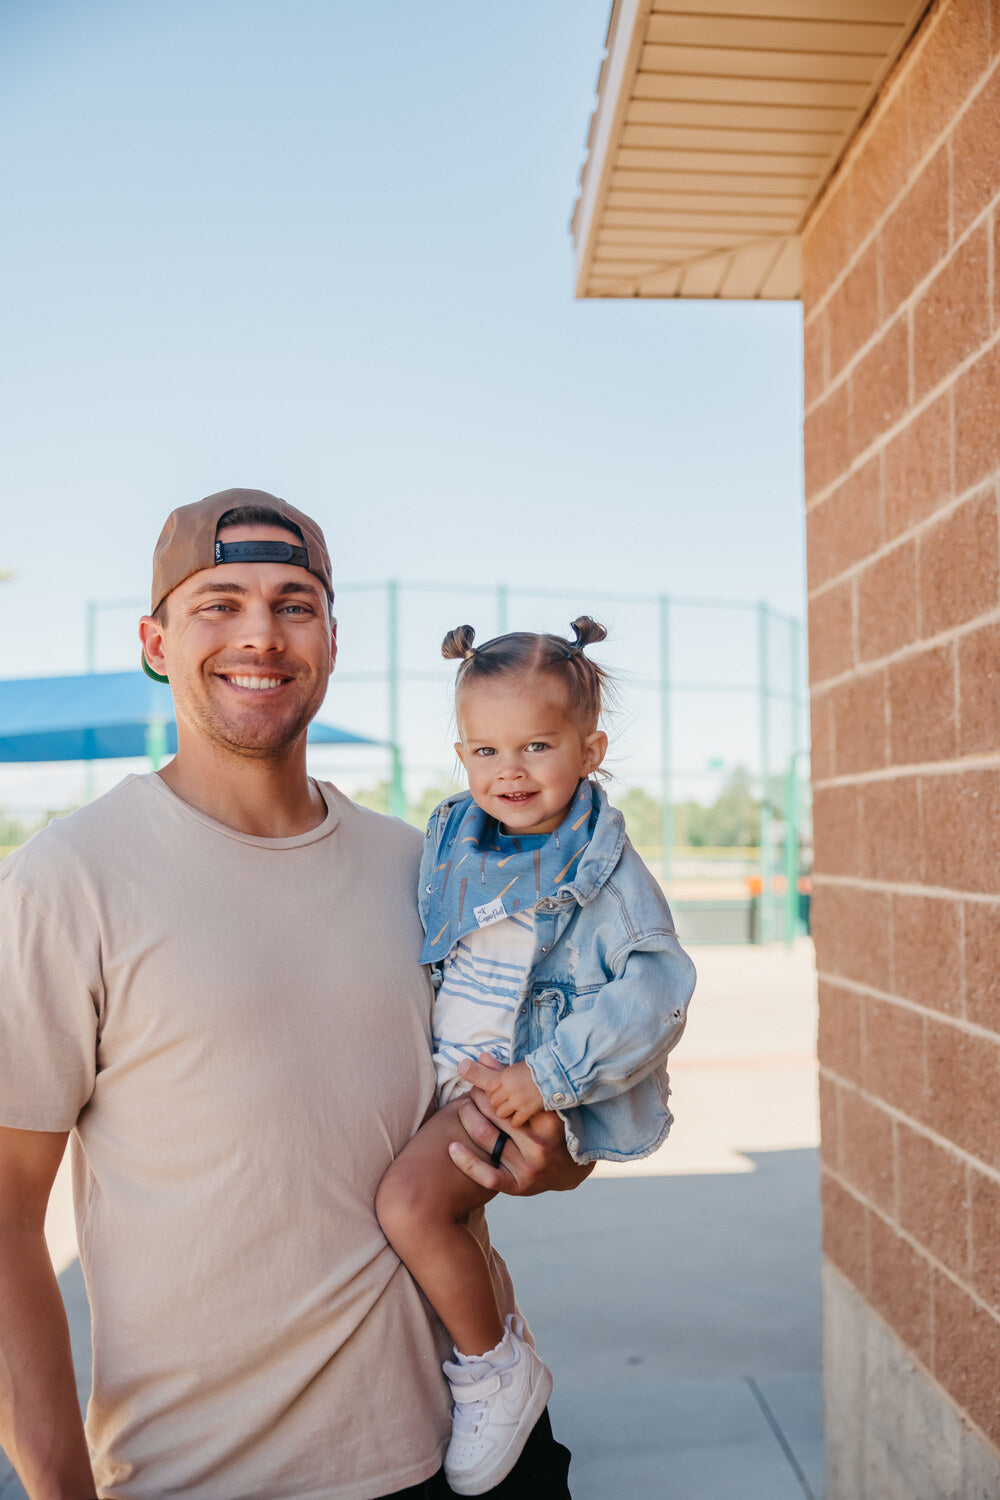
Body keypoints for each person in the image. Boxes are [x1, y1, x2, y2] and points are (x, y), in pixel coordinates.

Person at [0, 489, 586, 1500]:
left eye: (294, 604)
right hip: (207, 1477)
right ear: (156, 643)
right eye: (219, 604)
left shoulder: (426, 871)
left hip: (471, 1455)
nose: (261, 635)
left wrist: (553, 1158)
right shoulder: (69, 879)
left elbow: (547, 1119)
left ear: (331, 641)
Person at [376, 619, 697, 1495]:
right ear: (460, 756)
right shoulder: (455, 838)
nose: (509, 771)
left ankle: (493, 1369)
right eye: (485, 750)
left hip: (510, 1087)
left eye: (537, 746)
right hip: (453, 1076)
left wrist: (546, 1078)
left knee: (410, 1206)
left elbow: (658, 987)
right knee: (439, 1219)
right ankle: (495, 1336)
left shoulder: (603, 868)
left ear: (590, 751)